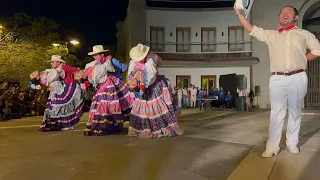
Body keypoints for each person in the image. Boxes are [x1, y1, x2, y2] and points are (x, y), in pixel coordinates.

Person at [234, 1, 320, 157]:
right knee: (276, 113)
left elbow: (317, 50)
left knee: (295, 112)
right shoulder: (272, 35)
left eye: (288, 11)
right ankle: (272, 146)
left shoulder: (304, 34)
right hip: (277, 79)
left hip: (298, 77)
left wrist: (303, 59)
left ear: (296, 17)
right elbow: (251, 29)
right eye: (282, 12)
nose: (284, 13)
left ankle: (292, 143)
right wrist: (239, 13)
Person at [127, 43, 184, 138]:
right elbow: (131, 74)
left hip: (153, 86)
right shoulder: (133, 62)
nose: (139, 59)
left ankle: (170, 127)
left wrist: (140, 81)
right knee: (142, 109)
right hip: (141, 86)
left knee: (160, 108)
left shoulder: (152, 59)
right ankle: (145, 129)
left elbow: (150, 77)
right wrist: (134, 82)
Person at [74, 48, 133, 136]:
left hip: (113, 83)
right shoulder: (92, 65)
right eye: (94, 55)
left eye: (97, 55)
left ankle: (111, 124)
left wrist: (114, 71)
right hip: (101, 86)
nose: (95, 57)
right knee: (103, 105)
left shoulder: (111, 60)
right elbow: (92, 77)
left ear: (102, 55)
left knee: (110, 104)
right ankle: (105, 124)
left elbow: (123, 68)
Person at [44, 55, 84, 131]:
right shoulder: (54, 70)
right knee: (62, 105)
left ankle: (68, 123)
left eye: (53, 62)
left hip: (70, 86)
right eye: (51, 62)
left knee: (64, 103)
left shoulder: (64, 67)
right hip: (63, 87)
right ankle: (65, 123)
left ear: (58, 62)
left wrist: (77, 77)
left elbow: (75, 69)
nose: (51, 63)